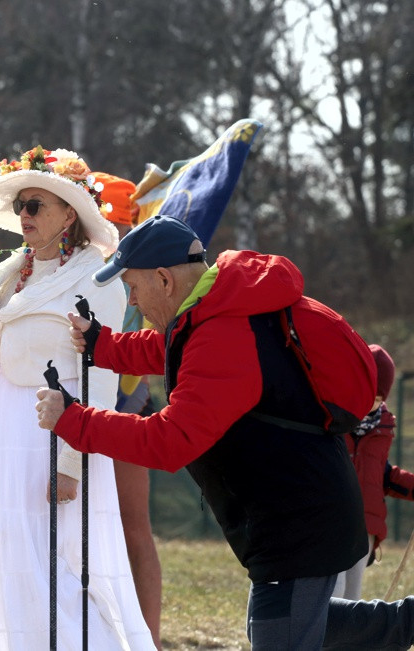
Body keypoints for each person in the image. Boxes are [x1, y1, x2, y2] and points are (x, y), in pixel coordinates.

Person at [37, 216, 414, 649]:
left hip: (298, 522)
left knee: (281, 633)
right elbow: (168, 348)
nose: (134, 302)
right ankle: (406, 623)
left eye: (134, 288)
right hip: (293, 516)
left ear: (164, 279)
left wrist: (75, 420)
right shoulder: (214, 311)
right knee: (291, 627)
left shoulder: (222, 334)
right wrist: (104, 345)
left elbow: (169, 441)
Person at [0, 147, 155, 650]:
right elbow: (1, 372)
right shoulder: (8, 274)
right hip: (8, 441)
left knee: (60, 567)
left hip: (57, 439)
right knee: (13, 562)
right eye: (20, 205)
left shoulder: (97, 278)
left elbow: (100, 378)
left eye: (36, 205)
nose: (24, 215)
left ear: (69, 213)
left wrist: (72, 463)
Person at [94, 171, 163, 649]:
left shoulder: (136, 266)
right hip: (73, 403)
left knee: (131, 523)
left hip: (124, 403)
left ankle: (149, 640)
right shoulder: (72, 263)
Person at [335, 344, 414, 599]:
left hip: (365, 525)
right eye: (365, 393)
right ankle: (321, 639)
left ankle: (346, 640)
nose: (369, 403)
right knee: (330, 589)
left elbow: (383, 475)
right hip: (330, 520)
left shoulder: (383, 429)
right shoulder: (332, 421)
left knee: (351, 594)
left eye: (377, 399)